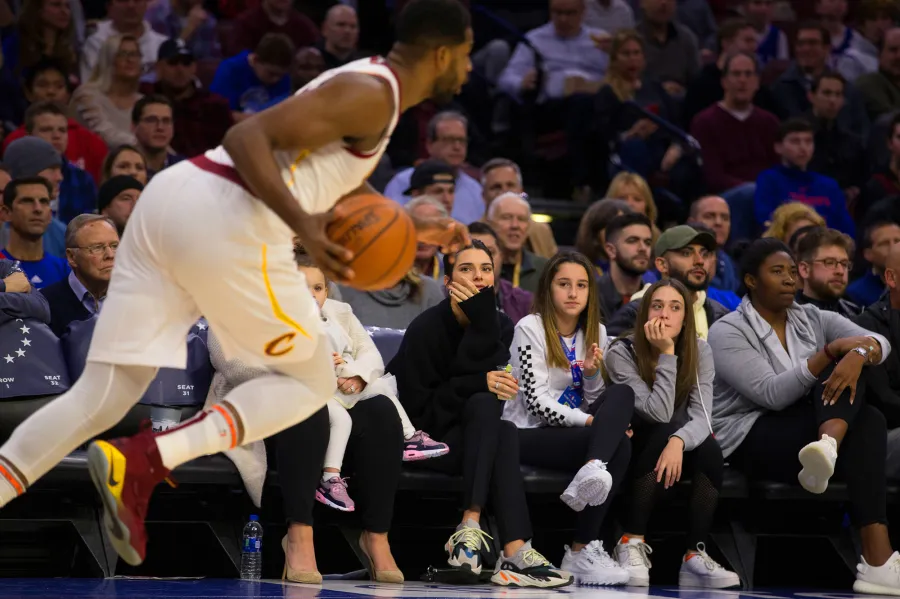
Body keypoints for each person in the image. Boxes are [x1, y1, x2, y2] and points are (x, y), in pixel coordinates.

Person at [0, 0, 474, 573]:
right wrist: (306, 229)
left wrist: (410, 224)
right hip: (220, 220)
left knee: (101, 395)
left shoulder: (371, 90)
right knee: (309, 380)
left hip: (179, 203)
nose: (470, 67)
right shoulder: (372, 91)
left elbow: (335, 184)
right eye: (467, 53)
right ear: (443, 52)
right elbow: (248, 138)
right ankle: (148, 459)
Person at [709, 238, 900, 596]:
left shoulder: (812, 317)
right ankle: (878, 558)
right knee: (846, 385)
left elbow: (879, 341)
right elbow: (771, 394)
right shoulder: (727, 330)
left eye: (791, 272)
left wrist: (858, 353)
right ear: (751, 280)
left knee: (869, 414)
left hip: (807, 431)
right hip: (749, 434)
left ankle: (829, 448)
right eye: (776, 271)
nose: (789, 279)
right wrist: (829, 352)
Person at [390, 240, 572, 587]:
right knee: (493, 419)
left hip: (476, 439)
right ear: (448, 282)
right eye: (466, 269)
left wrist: (482, 323)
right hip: (424, 441)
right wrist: (477, 382)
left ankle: (477, 532)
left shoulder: (499, 326)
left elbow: (495, 396)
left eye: (485, 269)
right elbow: (418, 414)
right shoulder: (426, 329)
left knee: (497, 422)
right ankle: (510, 547)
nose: (478, 276)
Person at [503, 251, 634, 586]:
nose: (573, 293)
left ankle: (580, 550)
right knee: (617, 444)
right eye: (564, 284)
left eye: (581, 285)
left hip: (570, 434)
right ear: (548, 288)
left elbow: (593, 400)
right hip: (526, 432)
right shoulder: (529, 328)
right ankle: (582, 546)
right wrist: (595, 425)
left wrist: (590, 375)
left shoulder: (597, 332)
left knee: (622, 395)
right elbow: (536, 403)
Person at [605, 279, 739, 588]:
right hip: (633, 446)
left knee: (709, 448)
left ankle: (694, 555)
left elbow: (703, 418)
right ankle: (631, 541)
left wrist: (679, 441)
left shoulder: (700, 350)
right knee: (664, 429)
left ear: (686, 317)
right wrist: (667, 353)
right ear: (644, 313)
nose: (665, 314)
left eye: (675, 307)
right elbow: (658, 413)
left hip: (675, 446)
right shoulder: (621, 351)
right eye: (657, 306)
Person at [293, 249, 448, 513]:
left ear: (326, 291)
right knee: (342, 420)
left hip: (336, 385)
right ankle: (330, 479)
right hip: (306, 393)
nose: (311, 295)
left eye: (317, 288)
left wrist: (354, 372)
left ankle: (409, 438)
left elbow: (366, 354)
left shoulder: (336, 315)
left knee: (379, 387)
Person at [607, 225, 729, 338]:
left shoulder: (720, 314)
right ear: (662, 264)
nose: (700, 261)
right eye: (686, 253)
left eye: (704, 254)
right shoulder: (635, 313)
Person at [596, 212, 652, 322]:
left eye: (647, 242)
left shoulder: (655, 297)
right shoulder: (591, 297)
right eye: (632, 241)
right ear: (611, 250)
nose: (643, 248)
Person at [795, 227, 860, 318]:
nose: (840, 271)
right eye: (829, 263)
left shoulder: (856, 314)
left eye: (844, 264)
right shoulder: (785, 316)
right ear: (804, 269)